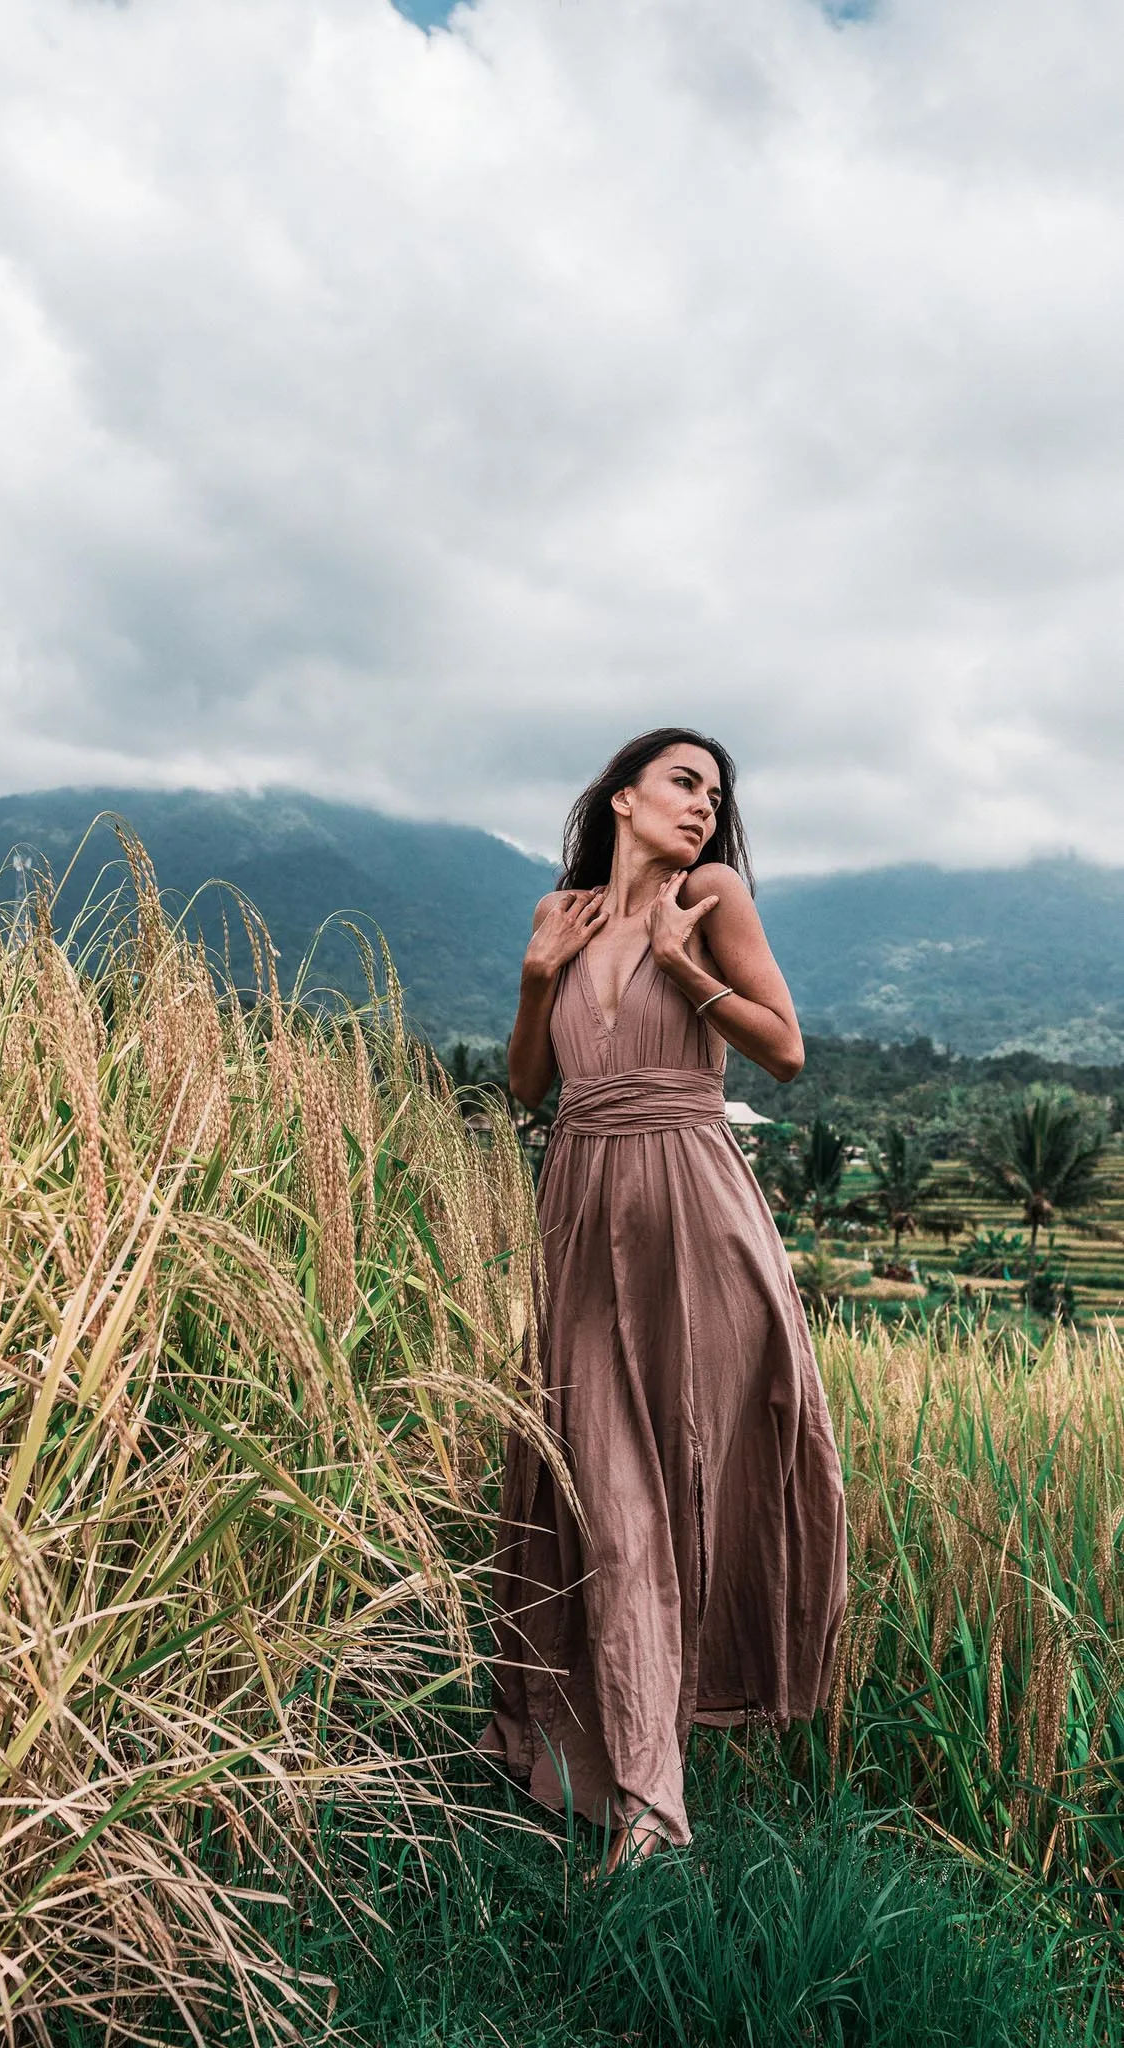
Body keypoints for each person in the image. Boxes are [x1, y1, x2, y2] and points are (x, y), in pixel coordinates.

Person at [476, 727, 847, 1871]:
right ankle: (603, 1767)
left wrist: (688, 967)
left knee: (670, 1479)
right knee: (596, 1480)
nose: (703, 804)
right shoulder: (567, 915)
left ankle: (647, 1804)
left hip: (694, 1208)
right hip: (582, 1211)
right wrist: (539, 974)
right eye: (683, 782)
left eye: (716, 792)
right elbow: (531, 1086)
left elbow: (784, 1051)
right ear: (623, 797)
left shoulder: (712, 893)